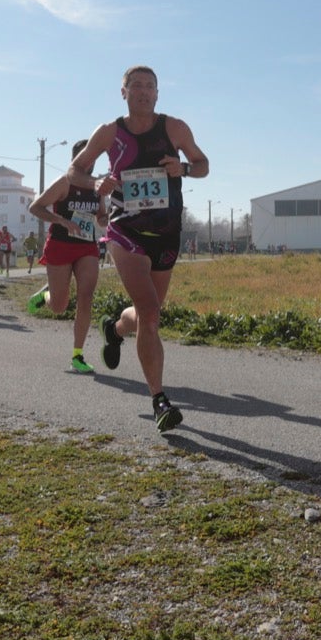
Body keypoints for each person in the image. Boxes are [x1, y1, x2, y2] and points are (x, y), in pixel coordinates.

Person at [67, 65, 209, 432]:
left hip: (166, 232)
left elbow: (203, 164)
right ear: (123, 92)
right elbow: (75, 172)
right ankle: (160, 399)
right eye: (137, 86)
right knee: (149, 312)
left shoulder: (174, 128)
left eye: (150, 86)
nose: (144, 91)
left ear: (158, 93)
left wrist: (185, 170)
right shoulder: (110, 132)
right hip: (125, 230)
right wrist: (97, 179)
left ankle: (115, 329)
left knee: (149, 313)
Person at [28, 140, 110, 374]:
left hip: (86, 246)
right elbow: (35, 207)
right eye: (84, 157)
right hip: (61, 245)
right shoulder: (64, 183)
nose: (89, 162)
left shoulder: (97, 187)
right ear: (75, 159)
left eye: (93, 157)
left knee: (86, 296)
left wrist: (105, 220)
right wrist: (62, 221)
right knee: (59, 306)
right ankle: (46, 296)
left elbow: (101, 216)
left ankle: (77, 355)